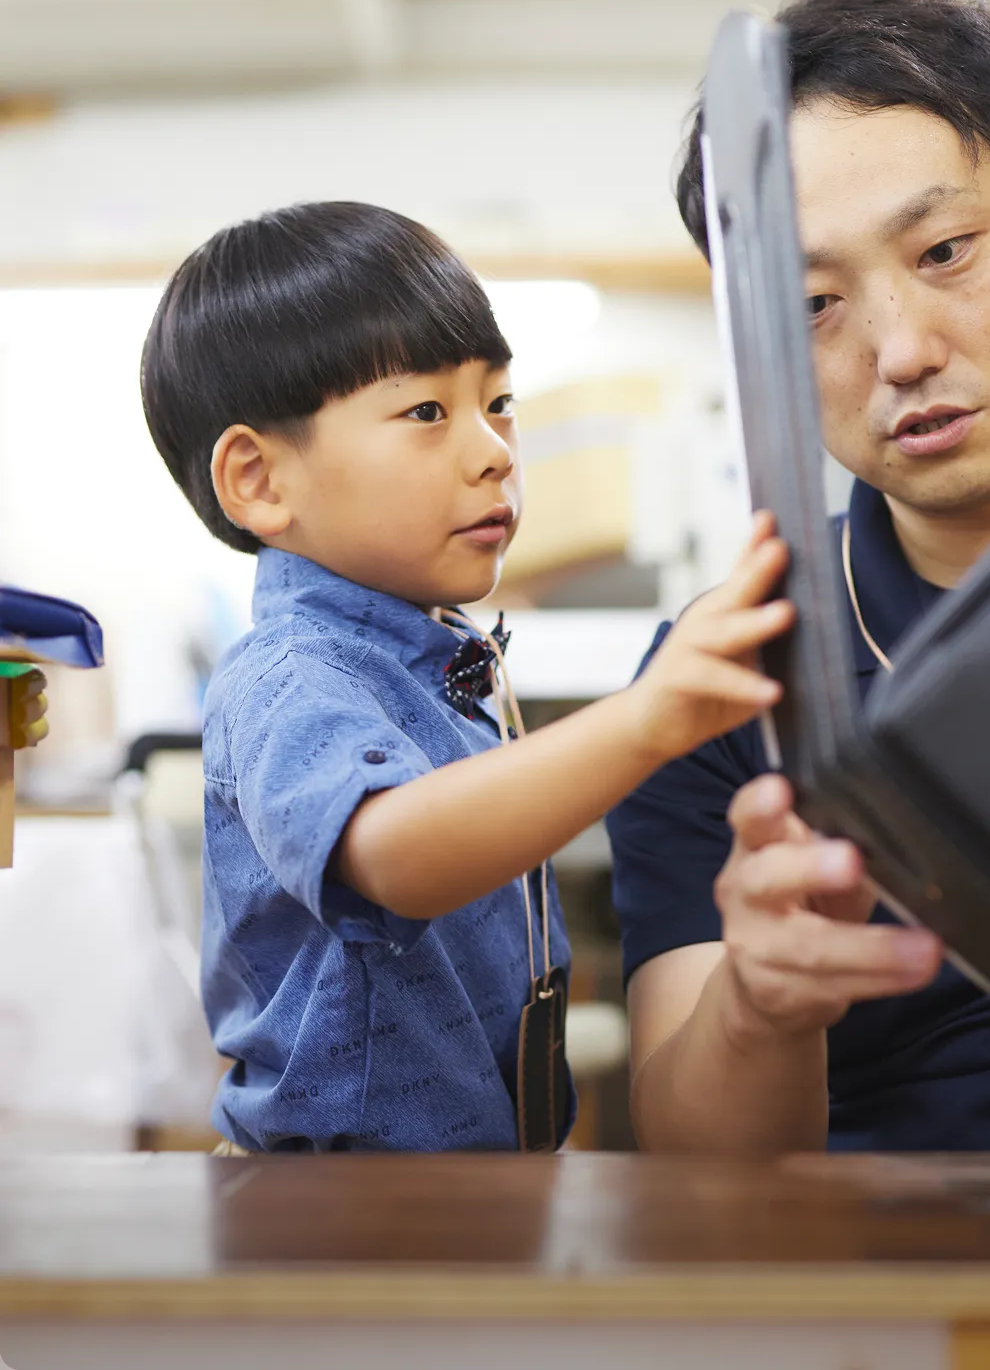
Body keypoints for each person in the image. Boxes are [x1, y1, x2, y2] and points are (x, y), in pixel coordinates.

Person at [608, 0, 990, 1156]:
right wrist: (763, 1006)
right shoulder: (725, 674)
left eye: (944, 252)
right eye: (815, 304)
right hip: (917, 1295)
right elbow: (699, 1165)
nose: (903, 351)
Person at [141, 201, 791, 1152]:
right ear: (259, 481)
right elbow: (397, 857)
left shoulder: (437, 651)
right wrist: (645, 719)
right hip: (341, 1222)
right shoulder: (292, 675)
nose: (494, 452)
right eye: (426, 412)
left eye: (499, 404)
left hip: (468, 1186)